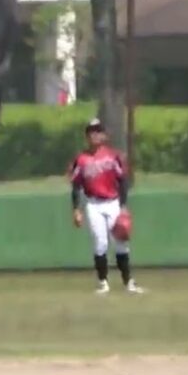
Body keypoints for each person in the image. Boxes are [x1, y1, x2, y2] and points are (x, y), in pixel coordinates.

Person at [70, 118, 144, 295]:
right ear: (87, 136)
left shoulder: (112, 156)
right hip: (93, 204)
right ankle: (103, 282)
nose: (95, 135)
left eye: (98, 131)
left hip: (113, 203)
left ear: (103, 135)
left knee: (121, 243)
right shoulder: (81, 159)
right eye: (91, 131)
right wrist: (76, 209)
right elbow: (76, 186)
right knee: (100, 243)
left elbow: (123, 181)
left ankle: (128, 282)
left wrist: (123, 206)